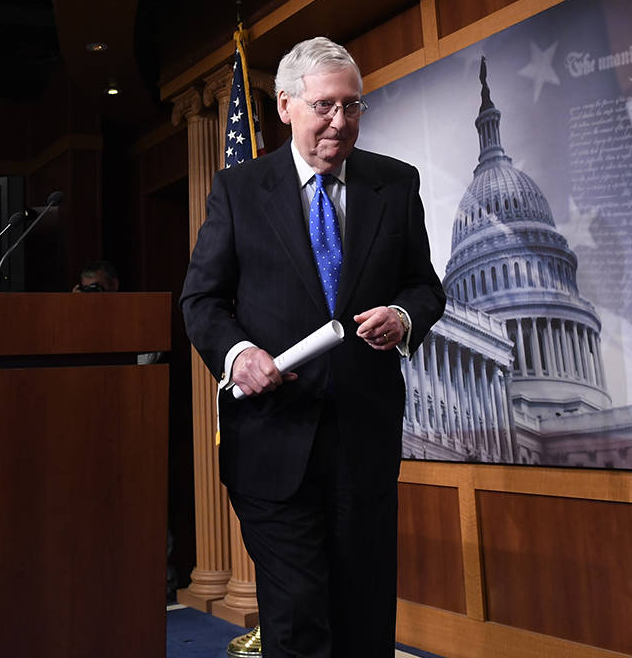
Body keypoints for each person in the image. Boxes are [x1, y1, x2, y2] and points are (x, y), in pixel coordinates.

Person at [181, 36, 445, 657]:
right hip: (272, 441)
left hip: (364, 441)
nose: (340, 121)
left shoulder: (394, 184)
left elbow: (423, 287)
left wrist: (405, 317)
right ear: (285, 106)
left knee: (363, 616)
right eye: (326, 105)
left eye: (352, 107)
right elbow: (202, 301)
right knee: (298, 620)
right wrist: (239, 355)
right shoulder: (239, 191)